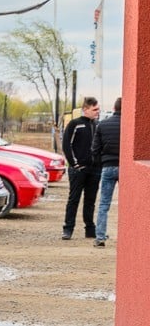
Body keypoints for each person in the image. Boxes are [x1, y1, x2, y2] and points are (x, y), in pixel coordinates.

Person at [61, 97, 101, 239]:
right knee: (74, 199)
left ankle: (90, 229)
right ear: (85, 109)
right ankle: (68, 229)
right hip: (78, 169)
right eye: (94, 109)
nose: (97, 112)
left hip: (95, 169)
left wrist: (99, 163)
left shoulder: (97, 125)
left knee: (90, 200)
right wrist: (74, 164)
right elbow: (66, 145)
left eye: (98, 109)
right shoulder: (74, 124)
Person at [91, 97, 121, 247]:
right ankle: (126, 236)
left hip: (107, 166)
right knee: (128, 203)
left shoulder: (102, 125)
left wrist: (100, 163)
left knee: (104, 203)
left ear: (114, 109)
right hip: (125, 168)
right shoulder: (129, 125)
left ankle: (100, 237)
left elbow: (95, 149)